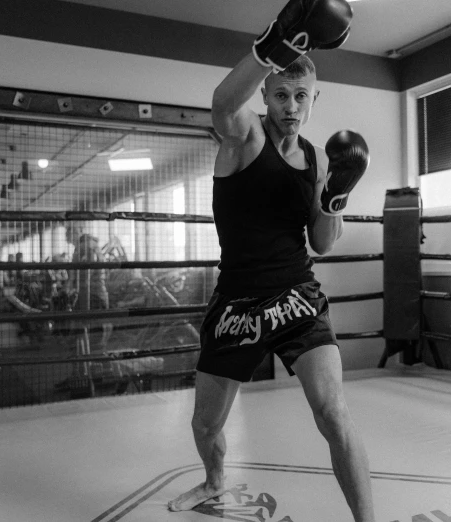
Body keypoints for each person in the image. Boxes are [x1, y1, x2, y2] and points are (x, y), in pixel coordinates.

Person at [168, 1, 374, 520]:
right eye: (281, 95)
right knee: (206, 427)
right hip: (237, 302)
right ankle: (215, 478)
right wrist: (275, 45)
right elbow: (220, 105)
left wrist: (335, 198)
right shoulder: (245, 136)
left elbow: (323, 242)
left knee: (333, 412)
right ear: (265, 95)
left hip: (297, 299)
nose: (291, 106)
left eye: (300, 96)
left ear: (313, 99)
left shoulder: (316, 158)